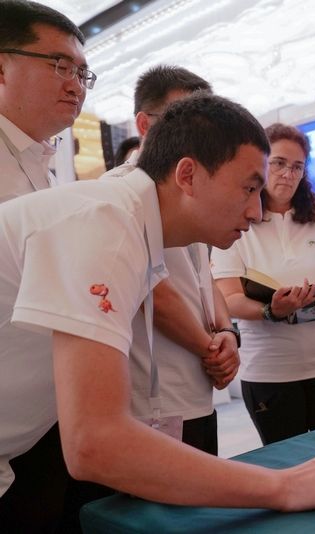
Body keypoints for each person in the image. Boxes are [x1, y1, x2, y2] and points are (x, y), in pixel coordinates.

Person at [0, 94, 315, 531]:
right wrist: (284, 486)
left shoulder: (129, 225)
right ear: (187, 175)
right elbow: (95, 443)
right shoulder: (106, 224)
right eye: (249, 188)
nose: (256, 211)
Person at [101, 65, 234, 457]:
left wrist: (228, 332)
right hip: (153, 398)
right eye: (182, 121)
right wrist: (212, 349)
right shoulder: (119, 192)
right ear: (144, 124)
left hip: (197, 388)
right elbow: (152, 292)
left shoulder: (189, 185)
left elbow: (202, 277)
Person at [212, 123, 315, 446]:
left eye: (297, 167)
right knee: (288, 462)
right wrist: (271, 310)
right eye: (278, 163)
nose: (288, 174)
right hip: (270, 372)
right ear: (260, 165)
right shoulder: (236, 224)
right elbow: (228, 298)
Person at [0, 0, 92, 203]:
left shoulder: (39, 158)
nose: (77, 88)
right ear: (2, 69)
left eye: (82, 74)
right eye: (61, 66)